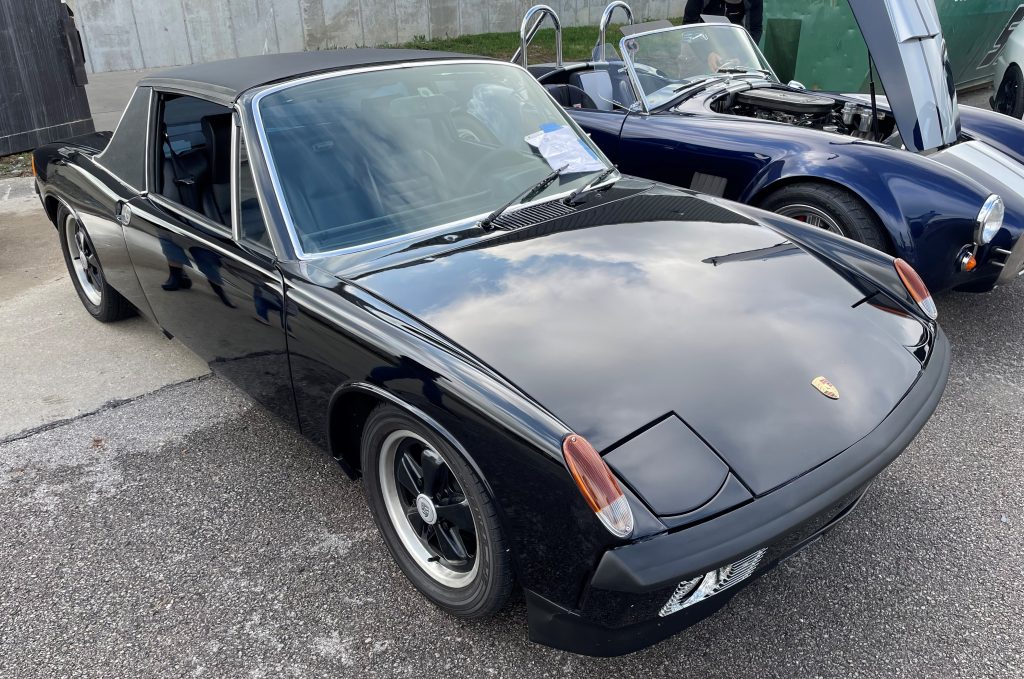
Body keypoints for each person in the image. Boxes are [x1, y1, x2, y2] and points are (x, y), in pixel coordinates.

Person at [683, 0, 763, 44]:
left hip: (733, 43)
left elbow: (754, 29)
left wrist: (740, 55)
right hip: (698, 41)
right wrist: (707, 54)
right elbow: (689, 23)